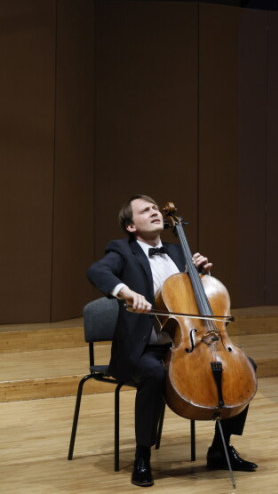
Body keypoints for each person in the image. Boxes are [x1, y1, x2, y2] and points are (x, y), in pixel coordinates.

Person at [87, 194, 257, 487]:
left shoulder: (179, 252)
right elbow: (97, 271)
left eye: (155, 208)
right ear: (131, 226)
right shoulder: (122, 250)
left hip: (186, 343)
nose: (154, 212)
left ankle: (220, 448)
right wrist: (126, 292)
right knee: (154, 374)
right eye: (145, 210)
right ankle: (142, 456)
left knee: (245, 367)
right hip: (142, 348)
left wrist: (202, 274)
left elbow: (192, 299)